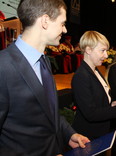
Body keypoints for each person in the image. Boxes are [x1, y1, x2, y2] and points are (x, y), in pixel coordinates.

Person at [0, 0, 90, 155]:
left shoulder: (44, 62)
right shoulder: (3, 66)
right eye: (62, 23)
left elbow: (49, 112)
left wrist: (69, 134)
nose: (65, 29)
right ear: (45, 21)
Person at [71, 31, 116, 143]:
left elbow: (98, 101)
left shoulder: (95, 71)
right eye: (102, 51)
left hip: (100, 132)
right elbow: (91, 114)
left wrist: (111, 104)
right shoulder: (81, 76)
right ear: (88, 50)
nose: (106, 55)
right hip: (88, 137)